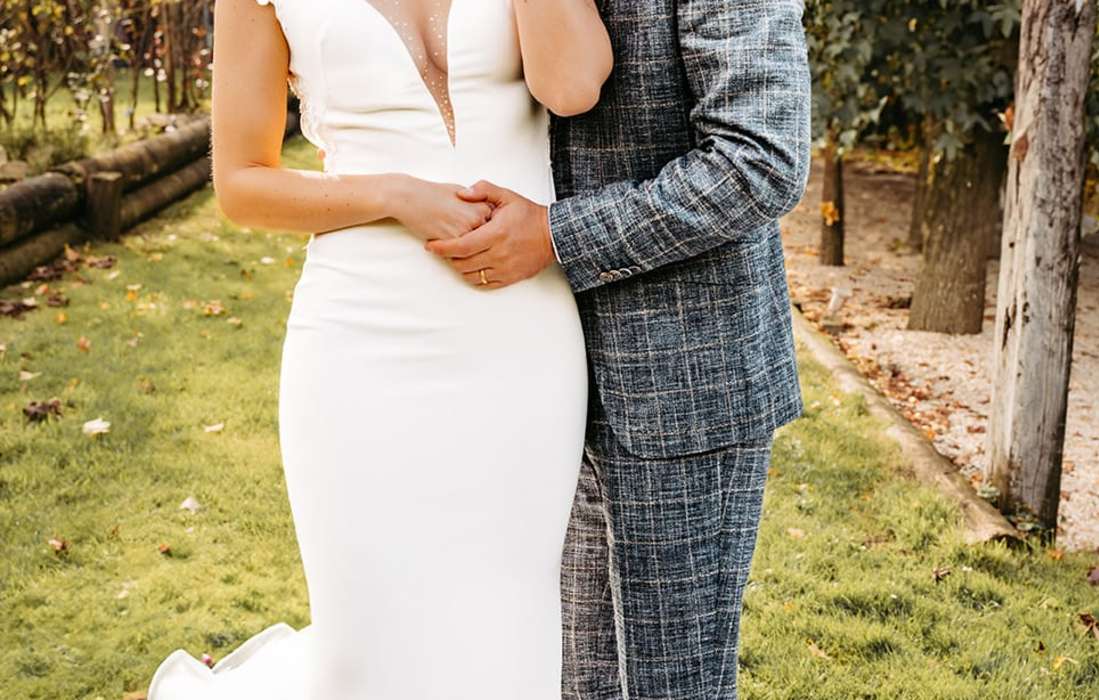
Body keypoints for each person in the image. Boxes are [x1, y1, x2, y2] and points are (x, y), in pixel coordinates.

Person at [146, 1, 611, 698]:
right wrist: (394, 193)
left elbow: (573, 86)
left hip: (521, 335)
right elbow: (242, 185)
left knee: (509, 622)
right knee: (368, 640)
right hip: (359, 336)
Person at [425, 1, 812, 697]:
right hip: (536, 371)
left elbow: (760, 160)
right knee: (576, 680)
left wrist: (557, 237)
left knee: (672, 684)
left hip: (684, 378)